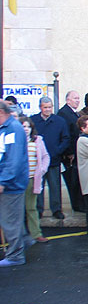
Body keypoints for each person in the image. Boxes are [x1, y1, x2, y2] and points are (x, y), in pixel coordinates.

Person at [0, 100, 30, 266]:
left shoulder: (12, 129)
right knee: (11, 218)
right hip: (9, 182)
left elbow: (13, 160)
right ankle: (23, 241)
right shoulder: (7, 128)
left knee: (9, 219)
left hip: (11, 184)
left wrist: (3, 180)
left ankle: (15, 255)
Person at [31, 96, 69, 220]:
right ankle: (39, 210)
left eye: (50, 107)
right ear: (40, 107)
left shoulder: (59, 121)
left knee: (55, 186)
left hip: (54, 160)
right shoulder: (33, 121)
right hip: (37, 161)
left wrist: (57, 151)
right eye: (45, 107)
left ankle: (56, 209)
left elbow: (65, 138)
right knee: (38, 186)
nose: (47, 110)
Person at [19, 117, 50, 243]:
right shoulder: (15, 141)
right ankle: (18, 236)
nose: (26, 129)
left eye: (28, 126)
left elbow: (45, 156)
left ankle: (36, 233)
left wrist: (41, 170)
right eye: (23, 126)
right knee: (17, 210)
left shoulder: (37, 140)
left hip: (32, 179)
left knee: (31, 208)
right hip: (18, 180)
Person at [57, 90, 85, 212]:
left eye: (78, 98)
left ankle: (79, 204)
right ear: (68, 100)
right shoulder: (63, 113)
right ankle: (77, 205)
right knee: (72, 182)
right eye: (75, 98)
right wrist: (69, 153)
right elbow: (66, 134)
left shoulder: (75, 113)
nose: (77, 100)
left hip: (77, 152)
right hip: (71, 155)